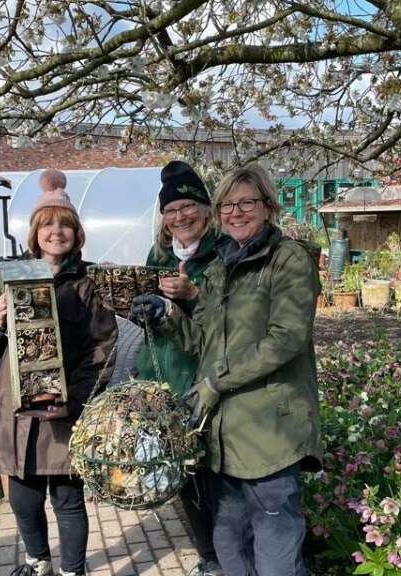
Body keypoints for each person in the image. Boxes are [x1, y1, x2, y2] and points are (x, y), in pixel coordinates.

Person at [131, 163, 323, 576]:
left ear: (268, 206)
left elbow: (285, 339)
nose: (236, 212)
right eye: (228, 205)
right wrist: (165, 315)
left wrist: (216, 382)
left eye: (246, 203)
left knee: (275, 557)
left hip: (269, 432)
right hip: (224, 438)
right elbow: (204, 340)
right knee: (229, 545)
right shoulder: (220, 268)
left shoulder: (287, 260)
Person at [0, 181, 118, 576]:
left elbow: (103, 351)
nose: (56, 231)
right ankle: (37, 562)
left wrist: (75, 400)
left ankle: (72, 570)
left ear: (77, 233)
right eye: (47, 224)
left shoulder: (88, 286)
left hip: (63, 417)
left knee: (68, 501)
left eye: (65, 224)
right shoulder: (10, 278)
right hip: (17, 418)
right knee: (23, 499)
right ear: (34, 232)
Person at [134, 160, 222, 576]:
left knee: (213, 474)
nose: (180, 216)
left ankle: (226, 555)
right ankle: (208, 555)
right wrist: (141, 310)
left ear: (206, 209)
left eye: (187, 206)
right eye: (171, 210)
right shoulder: (159, 255)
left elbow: (229, 319)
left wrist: (193, 292)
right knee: (181, 473)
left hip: (206, 376)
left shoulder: (223, 252)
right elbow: (152, 317)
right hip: (164, 375)